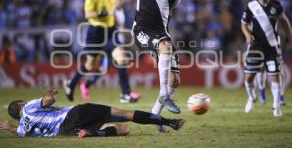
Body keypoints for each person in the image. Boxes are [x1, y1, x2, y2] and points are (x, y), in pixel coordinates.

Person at [88, 0, 213, 130]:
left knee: (175, 80)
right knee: (165, 46)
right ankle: (163, 94)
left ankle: (155, 117)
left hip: (162, 32)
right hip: (142, 30)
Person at [63, 0, 140, 103]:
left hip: (112, 40)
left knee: (121, 60)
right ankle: (73, 84)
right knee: (90, 66)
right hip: (99, 37)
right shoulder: (108, 7)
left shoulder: (120, 12)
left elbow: (121, 28)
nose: (122, 2)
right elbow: (91, 15)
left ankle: (125, 94)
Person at [0, 89, 184, 138]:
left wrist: (10, 128)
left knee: (124, 130)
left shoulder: (23, 129)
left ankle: (91, 132)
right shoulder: (30, 107)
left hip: (67, 130)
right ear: (21, 105)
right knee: (126, 113)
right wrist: (50, 93)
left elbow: (19, 132)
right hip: (75, 114)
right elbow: (48, 100)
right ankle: (168, 122)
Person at [241, 0, 292, 117]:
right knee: (249, 77)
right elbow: (243, 24)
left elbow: (284, 21)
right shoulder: (251, 6)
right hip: (255, 46)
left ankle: (276, 106)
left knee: (274, 76)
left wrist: (291, 37)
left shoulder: (276, 6)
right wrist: (247, 35)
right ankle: (251, 97)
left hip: (272, 45)